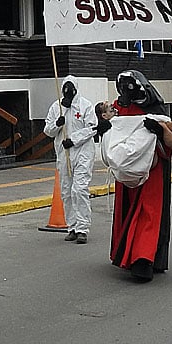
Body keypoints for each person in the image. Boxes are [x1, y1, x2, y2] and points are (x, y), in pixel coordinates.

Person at [107, 70, 172, 281]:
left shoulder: (155, 107)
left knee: (149, 210)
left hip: (153, 168)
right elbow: (112, 129)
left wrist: (158, 131)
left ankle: (144, 258)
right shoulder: (119, 107)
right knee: (127, 208)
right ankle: (128, 254)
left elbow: (170, 135)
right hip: (127, 167)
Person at [43, 75, 97, 243]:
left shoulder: (85, 105)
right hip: (63, 154)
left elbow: (92, 128)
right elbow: (47, 130)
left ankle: (82, 228)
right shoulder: (56, 107)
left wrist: (73, 140)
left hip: (82, 152)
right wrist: (57, 124)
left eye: (70, 90)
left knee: (79, 189)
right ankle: (72, 226)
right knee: (66, 192)